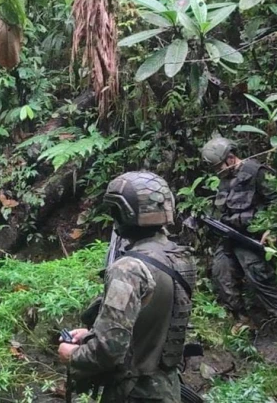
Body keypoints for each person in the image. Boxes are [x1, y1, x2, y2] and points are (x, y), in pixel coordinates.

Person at [58, 172, 196, 403]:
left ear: (125, 213)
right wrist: (91, 334)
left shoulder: (129, 268)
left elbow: (109, 350)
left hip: (133, 391)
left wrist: (73, 354)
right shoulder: (179, 258)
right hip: (167, 388)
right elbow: (149, 324)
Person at [200, 137, 277, 327]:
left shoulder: (256, 172)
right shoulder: (224, 180)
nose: (217, 171)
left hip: (251, 236)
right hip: (230, 236)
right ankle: (242, 319)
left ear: (231, 157)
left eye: (219, 166)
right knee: (220, 272)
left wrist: (271, 228)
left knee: (257, 274)